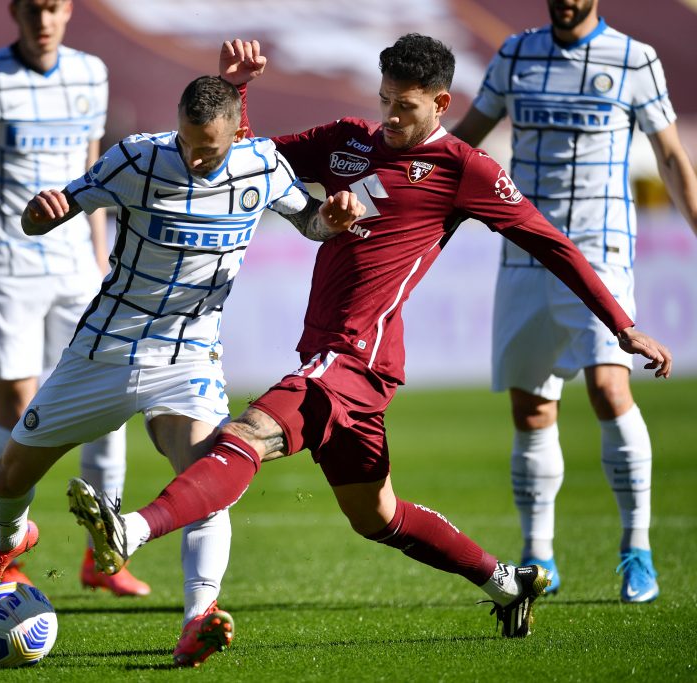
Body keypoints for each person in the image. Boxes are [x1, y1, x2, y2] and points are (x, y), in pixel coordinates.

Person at [65, 34, 674, 649]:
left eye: (405, 106)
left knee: (244, 435)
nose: (390, 116)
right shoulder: (347, 139)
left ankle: (132, 530)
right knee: (376, 516)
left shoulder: (465, 169)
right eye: (385, 100)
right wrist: (237, 91)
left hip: (356, 357)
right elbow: (250, 161)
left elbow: (552, 243)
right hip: (333, 358)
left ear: (441, 103)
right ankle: (506, 583)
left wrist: (621, 325)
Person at [0, 73, 366, 667]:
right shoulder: (137, 159)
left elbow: (312, 224)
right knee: (10, 474)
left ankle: (199, 618)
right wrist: (41, 214)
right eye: (188, 143)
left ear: (237, 133)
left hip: (189, 356)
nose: (196, 158)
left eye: (210, 149)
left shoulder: (261, 165)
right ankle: (8, 541)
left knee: (206, 482)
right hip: (106, 348)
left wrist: (333, 217)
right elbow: (45, 216)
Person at [450, 0, 697, 603]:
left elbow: (670, 156)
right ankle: (539, 556)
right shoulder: (516, 54)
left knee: (609, 388)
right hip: (524, 247)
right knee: (531, 408)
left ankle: (637, 551)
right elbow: (463, 143)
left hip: (599, 248)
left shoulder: (635, 59)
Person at [0, 0, 148, 596]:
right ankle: (5, 549)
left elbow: (92, 168)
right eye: (32, 9)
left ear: (67, 9)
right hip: (5, 269)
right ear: (14, 11)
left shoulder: (90, 74)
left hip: (76, 269)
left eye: (52, 7)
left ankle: (104, 555)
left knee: (108, 405)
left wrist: (99, 256)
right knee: (18, 415)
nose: (42, 21)